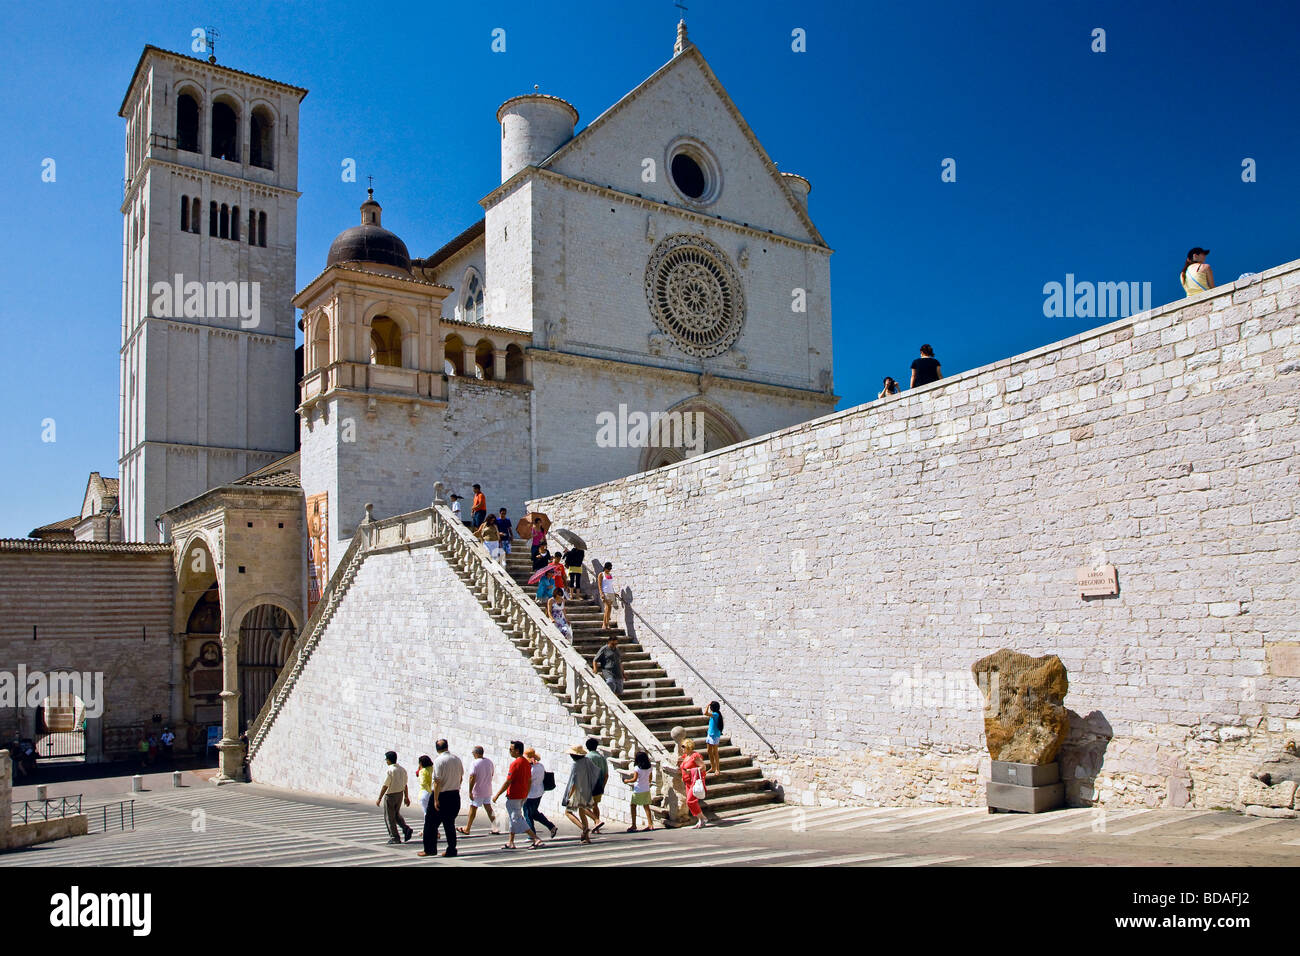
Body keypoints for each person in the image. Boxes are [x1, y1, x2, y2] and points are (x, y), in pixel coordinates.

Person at [493, 741, 543, 850]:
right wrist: (526, 793)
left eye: (511, 749)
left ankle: (535, 838)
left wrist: (497, 794)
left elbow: (508, 781)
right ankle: (511, 842)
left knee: (517, 819)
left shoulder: (515, 764)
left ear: (517, 750)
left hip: (514, 795)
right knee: (513, 818)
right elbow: (529, 780)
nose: (509, 751)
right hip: (522, 795)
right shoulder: (526, 763)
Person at [419, 738, 464, 858]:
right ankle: (451, 849)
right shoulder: (456, 759)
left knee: (430, 824)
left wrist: (435, 799)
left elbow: (437, 782)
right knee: (449, 824)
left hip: (441, 795)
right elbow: (461, 777)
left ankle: (429, 849)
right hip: (454, 794)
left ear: (437, 748)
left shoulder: (439, 761)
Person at [561, 744, 600, 844]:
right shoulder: (587, 761)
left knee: (568, 812)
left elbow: (574, 781)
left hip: (577, 791)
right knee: (582, 813)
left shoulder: (575, 764)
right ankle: (586, 838)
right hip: (586, 790)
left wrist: (569, 795)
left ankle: (584, 828)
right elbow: (595, 771)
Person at [458, 746, 499, 835]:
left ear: (476, 753)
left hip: (478, 790)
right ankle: (495, 827)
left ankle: (467, 828)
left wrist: (470, 791)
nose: (473, 754)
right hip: (487, 789)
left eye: (473, 753)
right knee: (489, 808)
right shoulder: (489, 762)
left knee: (473, 808)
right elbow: (492, 774)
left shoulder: (474, 763)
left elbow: (472, 777)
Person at [376, 750, 414, 845]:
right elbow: (405, 784)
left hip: (391, 795)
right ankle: (406, 828)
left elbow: (385, 785)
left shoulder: (390, 770)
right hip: (399, 794)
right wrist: (406, 796)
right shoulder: (402, 769)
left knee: (389, 817)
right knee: (396, 815)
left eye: (386, 760)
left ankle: (394, 837)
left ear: (388, 760)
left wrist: (380, 797)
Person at [522, 747, 558, 839]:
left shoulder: (530, 770)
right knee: (534, 813)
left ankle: (532, 835)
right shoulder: (541, 766)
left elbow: (527, 782)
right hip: (539, 793)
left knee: (528, 815)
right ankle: (551, 826)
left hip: (530, 795)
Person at [622, 750, 655, 832]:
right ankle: (650, 824)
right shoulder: (650, 767)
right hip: (646, 789)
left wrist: (626, 781)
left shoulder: (637, 768)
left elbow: (634, 779)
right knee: (646, 806)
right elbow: (650, 779)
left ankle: (634, 825)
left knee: (633, 806)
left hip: (638, 789)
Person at [679, 738, 707, 829]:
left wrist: (690, 771)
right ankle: (701, 819)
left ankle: (702, 818)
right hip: (687, 782)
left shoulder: (695, 756)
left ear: (689, 747)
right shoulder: (685, 756)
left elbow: (703, 767)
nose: (682, 749)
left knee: (690, 801)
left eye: (684, 747)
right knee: (691, 802)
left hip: (694, 782)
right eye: (682, 747)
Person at [585, 737, 609, 834]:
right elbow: (606, 775)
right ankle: (597, 826)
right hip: (599, 785)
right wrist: (603, 786)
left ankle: (596, 820)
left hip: (589, 785)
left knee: (583, 807)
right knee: (595, 805)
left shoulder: (587, 758)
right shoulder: (602, 758)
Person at [704, 702, 724, 776]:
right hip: (710, 734)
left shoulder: (716, 714)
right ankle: (712, 767)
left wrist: (707, 705)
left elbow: (705, 713)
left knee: (715, 752)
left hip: (715, 735)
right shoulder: (714, 714)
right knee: (709, 751)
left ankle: (717, 769)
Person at [599, 562, 617, 630]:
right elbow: (599, 585)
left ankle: (607, 624)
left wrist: (614, 592)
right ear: (605, 567)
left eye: (610, 568)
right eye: (609, 568)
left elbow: (610, 585)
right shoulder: (601, 574)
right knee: (607, 607)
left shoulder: (610, 574)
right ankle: (604, 624)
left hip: (611, 592)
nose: (610, 570)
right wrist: (601, 593)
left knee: (609, 609)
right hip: (605, 592)